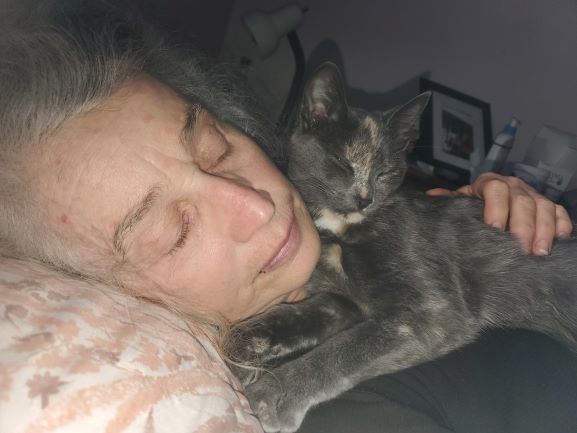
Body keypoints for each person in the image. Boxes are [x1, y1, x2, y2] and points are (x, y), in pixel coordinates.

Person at [0, 2, 575, 432]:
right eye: (175, 231)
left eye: (216, 148)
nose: (256, 205)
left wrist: (492, 212)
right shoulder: (355, 411)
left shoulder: (348, 248)